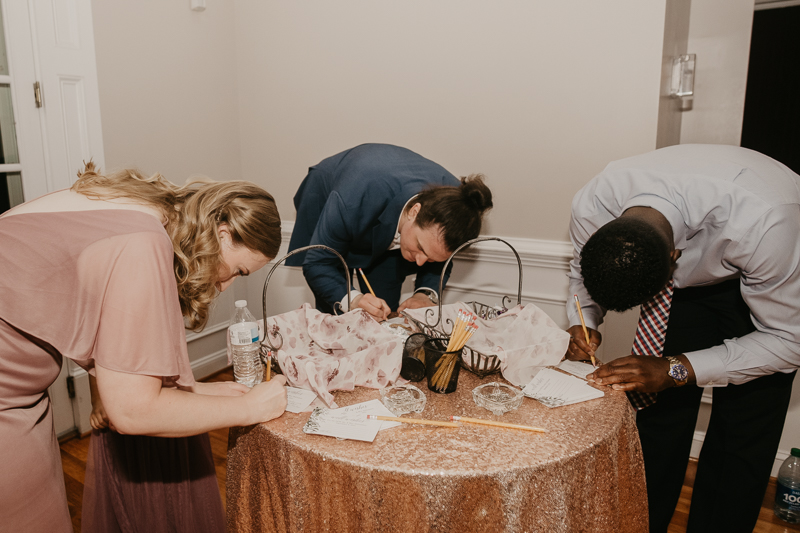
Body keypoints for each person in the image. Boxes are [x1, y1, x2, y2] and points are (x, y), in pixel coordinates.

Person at [0, 163, 288, 532]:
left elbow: (64, 301)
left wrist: (197, 390)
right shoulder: (143, 243)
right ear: (223, 233)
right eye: (238, 271)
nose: (227, 284)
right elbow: (133, 411)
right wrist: (249, 407)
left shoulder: (143, 208)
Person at [564, 144, 800, 533]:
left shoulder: (766, 222)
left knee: (743, 433)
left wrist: (678, 367)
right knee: (660, 412)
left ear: (676, 258)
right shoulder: (593, 204)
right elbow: (580, 270)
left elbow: (789, 341)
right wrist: (584, 320)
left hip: (775, 274)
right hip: (694, 269)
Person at [287, 143, 493, 321]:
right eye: (420, 248)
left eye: (430, 258)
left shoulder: (459, 204)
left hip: (390, 223)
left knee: (382, 311)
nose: (420, 262)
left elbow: (438, 256)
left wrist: (424, 294)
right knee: (336, 312)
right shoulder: (352, 198)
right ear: (415, 211)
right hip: (334, 195)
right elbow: (318, 263)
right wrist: (354, 299)